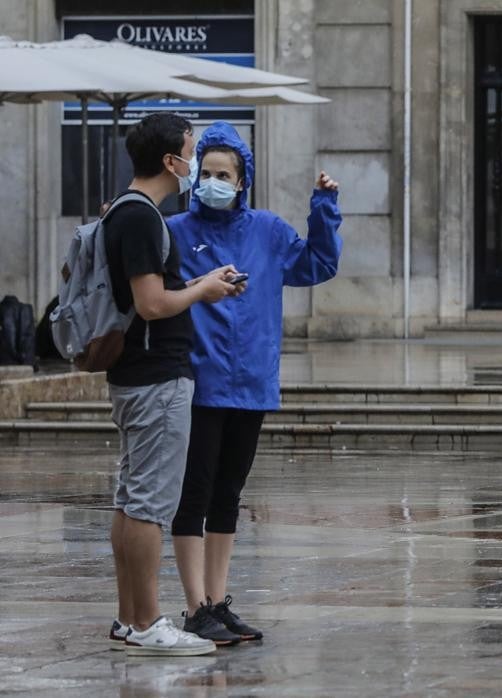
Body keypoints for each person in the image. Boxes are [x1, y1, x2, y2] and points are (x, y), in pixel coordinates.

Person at [166, 121, 343, 645]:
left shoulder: (266, 230)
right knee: (192, 494)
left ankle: (217, 602)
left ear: (243, 181)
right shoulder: (176, 232)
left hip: (252, 383)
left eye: (225, 174)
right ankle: (193, 606)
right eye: (207, 172)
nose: (214, 181)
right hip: (197, 384)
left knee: (228, 495)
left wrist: (324, 208)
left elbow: (318, 264)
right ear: (195, 176)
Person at [104, 113, 242, 656]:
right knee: (149, 506)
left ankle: (127, 619)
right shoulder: (141, 217)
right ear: (171, 161)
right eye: (190, 152)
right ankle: (148, 622)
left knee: (130, 500)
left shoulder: (126, 209)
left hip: (139, 376)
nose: (194, 163)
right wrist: (202, 289)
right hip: (156, 376)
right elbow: (151, 303)